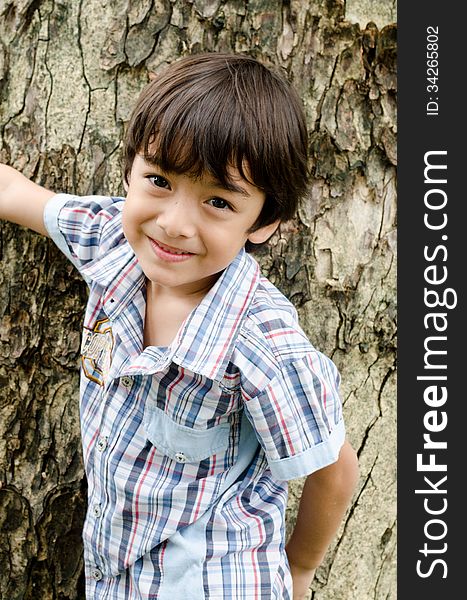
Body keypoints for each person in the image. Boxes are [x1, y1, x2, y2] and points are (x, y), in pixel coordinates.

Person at [0, 53, 359, 600]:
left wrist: (301, 568)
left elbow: (332, 468)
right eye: (159, 180)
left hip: (214, 582)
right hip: (118, 575)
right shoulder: (112, 242)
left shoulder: (262, 341)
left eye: (218, 201)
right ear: (131, 171)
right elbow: (24, 198)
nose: (174, 223)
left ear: (263, 223)